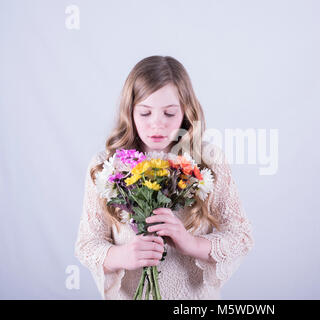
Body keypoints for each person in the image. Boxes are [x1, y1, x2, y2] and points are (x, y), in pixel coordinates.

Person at [74, 55, 254, 299]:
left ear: (185, 112)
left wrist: (190, 243)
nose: (157, 125)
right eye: (145, 113)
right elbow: (87, 244)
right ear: (130, 112)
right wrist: (122, 256)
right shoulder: (106, 166)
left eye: (169, 114)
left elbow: (240, 235)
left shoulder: (209, 161)